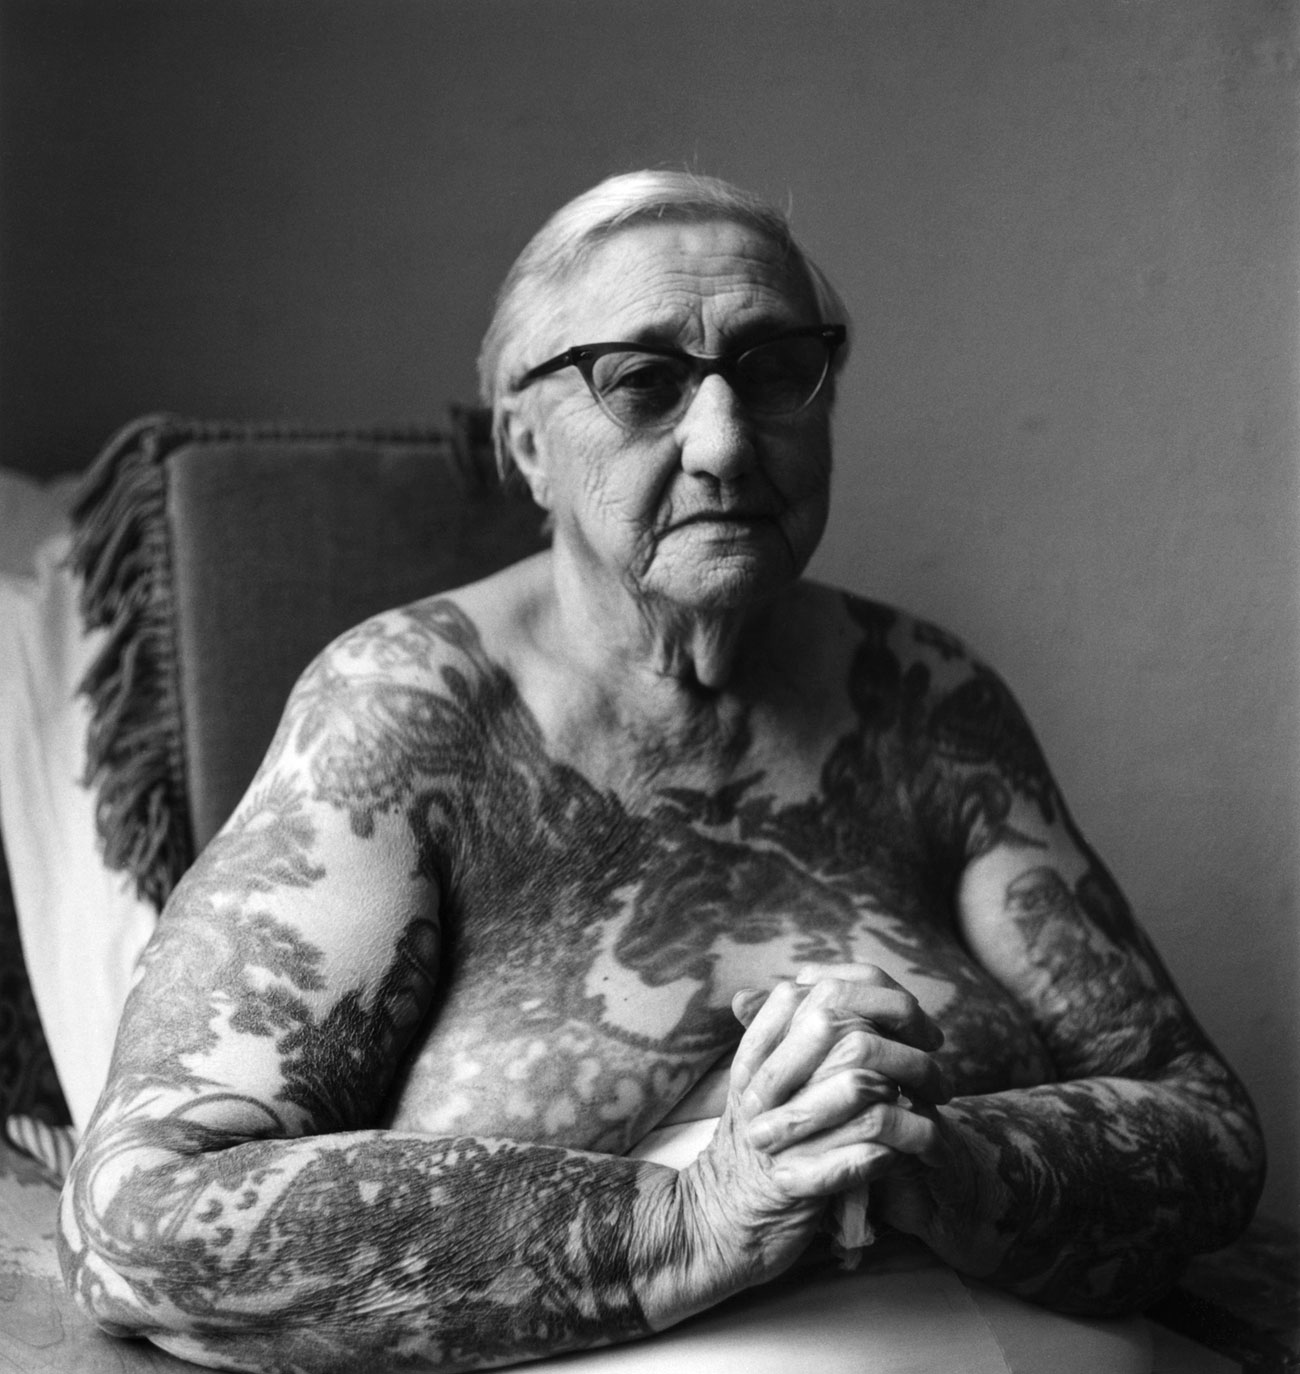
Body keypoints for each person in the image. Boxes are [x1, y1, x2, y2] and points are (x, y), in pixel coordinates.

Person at [59, 170, 1264, 1372]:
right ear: (526, 444)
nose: (726, 444)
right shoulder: (406, 713)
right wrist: (691, 1217)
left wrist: (937, 1163)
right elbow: (139, 1218)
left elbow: (1201, 1123)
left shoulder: (928, 701)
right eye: (642, 382)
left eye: (776, 369)